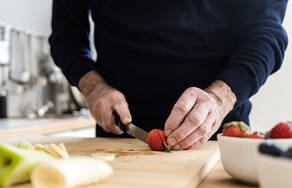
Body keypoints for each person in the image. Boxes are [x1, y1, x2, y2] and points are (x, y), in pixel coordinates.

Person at [49, 1, 288, 150]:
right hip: (118, 132)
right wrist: (94, 88)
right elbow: (66, 37)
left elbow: (265, 34)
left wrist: (219, 97)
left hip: (217, 135)